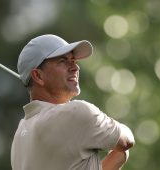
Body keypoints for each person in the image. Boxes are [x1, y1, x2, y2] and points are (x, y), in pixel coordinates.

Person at [11, 34, 135, 170]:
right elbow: (127, 141)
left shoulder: (20, 133)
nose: (75, 68)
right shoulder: (77, 112)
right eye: (63, 61)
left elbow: (121, 151)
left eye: (73, 61)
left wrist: (120, 155)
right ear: (38, 76)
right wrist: (118, 129)